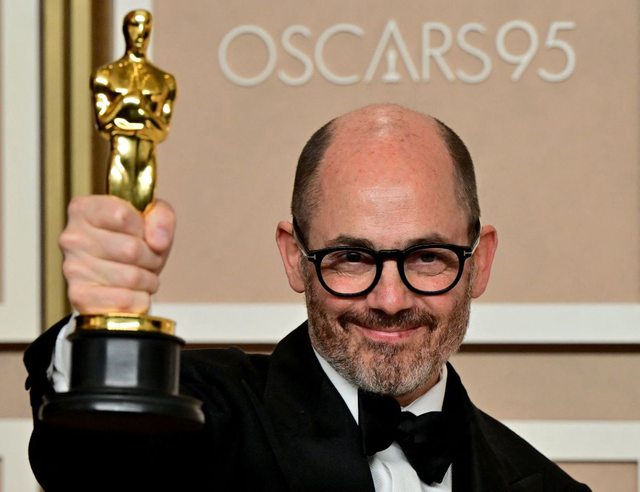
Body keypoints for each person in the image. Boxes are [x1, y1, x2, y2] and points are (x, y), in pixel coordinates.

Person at [25, 104, 590, 491]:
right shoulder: (203, 420)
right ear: (295, 257)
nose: (390, 299)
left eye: (426, 257)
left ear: (480, 261)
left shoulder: (548, 486)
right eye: (351, 257)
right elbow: (94, 463)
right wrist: (102, 323)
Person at [91, 9, 176, 212]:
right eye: (135, 26)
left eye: (146, 27)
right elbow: (103, 123)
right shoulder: (106, 75)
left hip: (146, 155)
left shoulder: (164, 81)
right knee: (117, 213)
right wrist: (124, 103)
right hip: (121, 151)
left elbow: (162, 130)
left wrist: (141, 110)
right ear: (125, 30)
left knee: (145, 214)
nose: (141, 33)